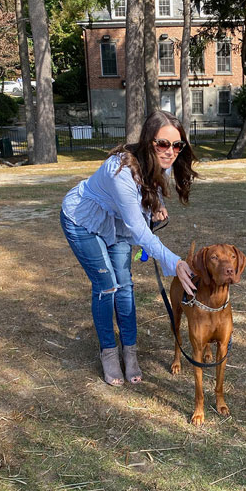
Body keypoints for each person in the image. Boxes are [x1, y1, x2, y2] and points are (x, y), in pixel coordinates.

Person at [60, 111, 198, 386]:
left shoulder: (162, 162)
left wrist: (157, 205)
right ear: (148, 142)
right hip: (84, 221)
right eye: (163, 144)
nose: (170, 152)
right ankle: (109, 353)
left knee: (125, 285)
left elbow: (151, 187)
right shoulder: (120, 171)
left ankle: (130, 352)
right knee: (107, 286)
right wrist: (176, 262)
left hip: (118, 223)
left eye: (177, 145)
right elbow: (139, 230)